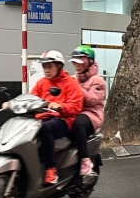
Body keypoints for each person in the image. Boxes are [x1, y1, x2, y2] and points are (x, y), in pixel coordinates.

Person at [30, 50, 84, 185]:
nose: (46, 70)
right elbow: (31, 98)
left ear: (59, 66)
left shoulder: (70, 83)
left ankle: (50, 169)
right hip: (42, 117)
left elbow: (76, 106)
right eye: (44, 67)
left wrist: (60, 106)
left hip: (63, 119)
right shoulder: (41, 83)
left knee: (44, 129)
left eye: (50, 66)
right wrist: (12, 103)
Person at [69, 45, 105, 178]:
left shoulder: (97, 80)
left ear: (89, 62)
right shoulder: (73, 79)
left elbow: (93, 100)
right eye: (75, 62)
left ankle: (85, 161)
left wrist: (77, 88)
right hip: (73, 111)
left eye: (80, 62)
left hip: (91, 115)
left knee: (78, 124)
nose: (76, 65)